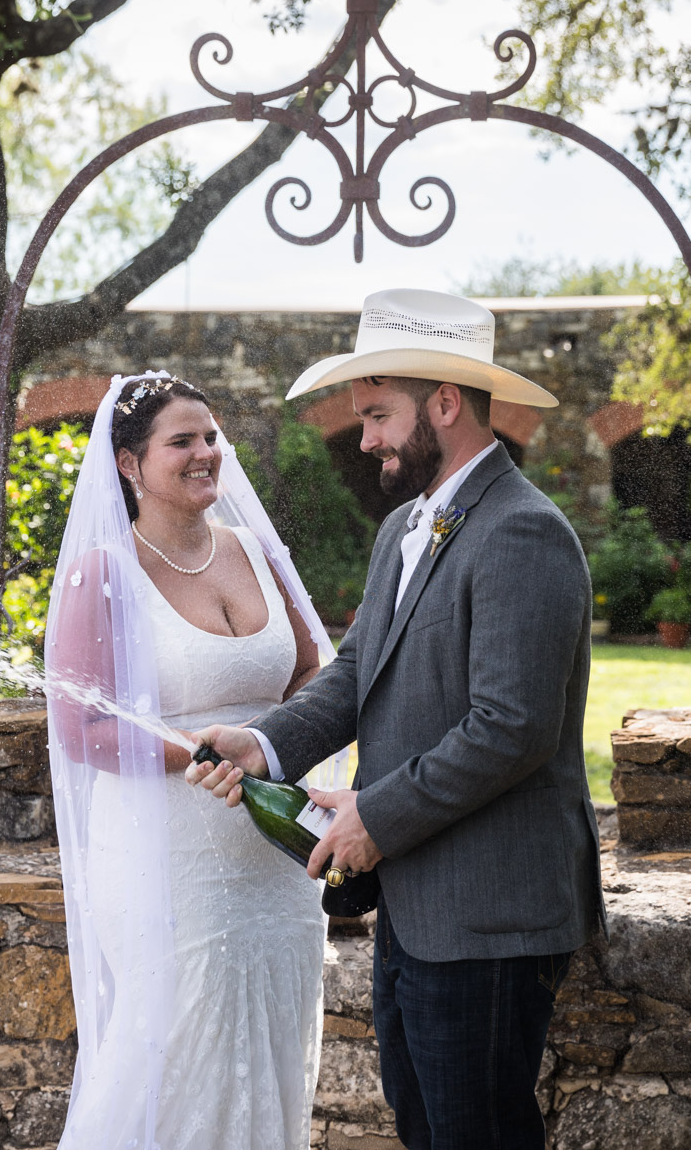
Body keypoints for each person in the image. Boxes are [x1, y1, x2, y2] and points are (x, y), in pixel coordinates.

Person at [189, 288, 604, 1150]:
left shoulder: (524, 532)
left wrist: (374, 814)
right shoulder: (405, 530)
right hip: (417, 905)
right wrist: (266, 743)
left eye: (379, 414)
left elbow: (512, 727)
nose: (367, 437)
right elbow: (354, 675)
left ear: (445, 405)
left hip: (490, 913)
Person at [43, 373, 339, 1150]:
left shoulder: (256, 552)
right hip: (166, 851)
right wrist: (195, 754)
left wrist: (269, 748)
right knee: (176, 1040)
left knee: (272, 1030)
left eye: (211, 436)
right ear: (130, 465)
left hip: (274, 850)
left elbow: (314, 672)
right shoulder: (103, 571)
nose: (206, 452)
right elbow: (78, 726)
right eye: (182, 441)